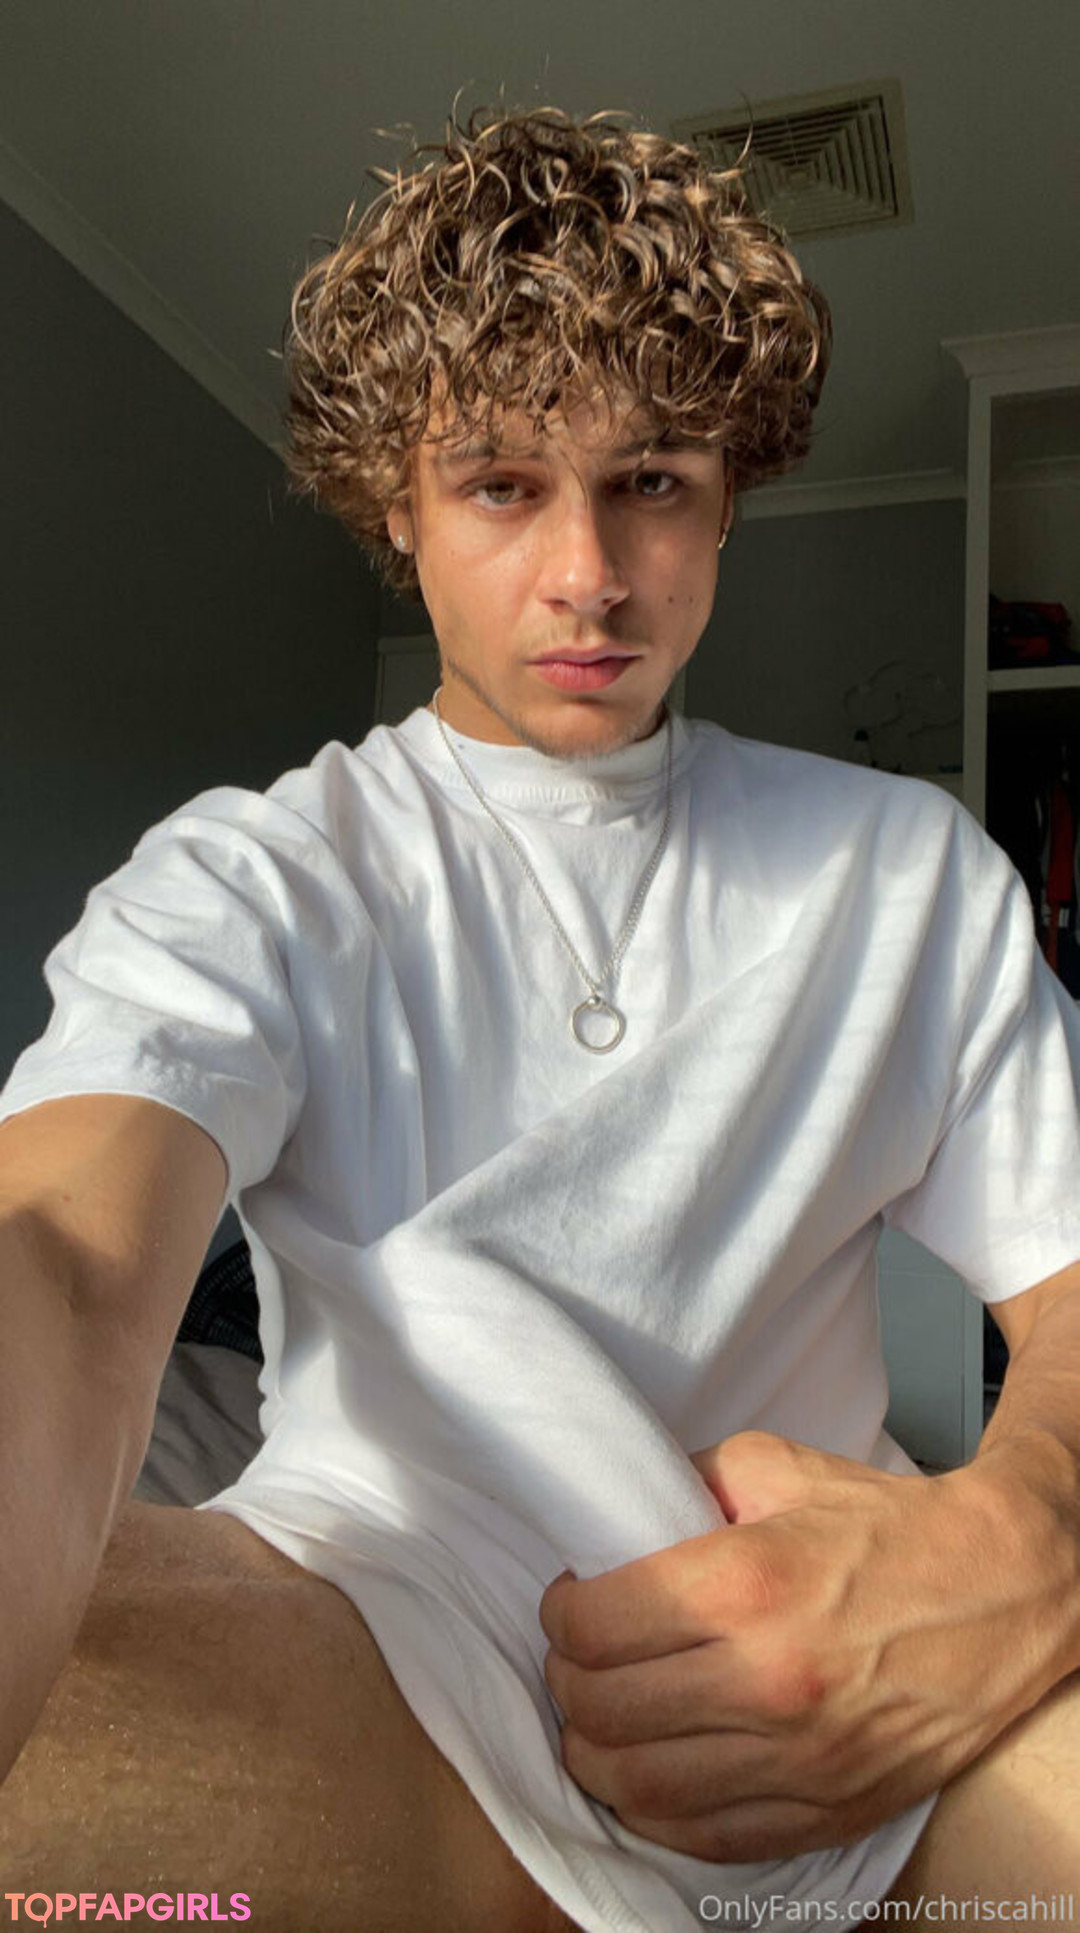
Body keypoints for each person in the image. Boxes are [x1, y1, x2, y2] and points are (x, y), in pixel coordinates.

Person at [1, 103, 1079, 1933]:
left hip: (856, 1701)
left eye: (650, 476)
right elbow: (71, 1253)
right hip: (381, 1640)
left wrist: (1023, 1537)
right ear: (397, 505)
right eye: (502, 483)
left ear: (728, 491)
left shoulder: (908, 873)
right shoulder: (258, 879)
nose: (588, 570)